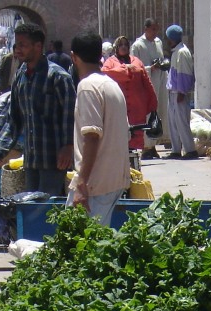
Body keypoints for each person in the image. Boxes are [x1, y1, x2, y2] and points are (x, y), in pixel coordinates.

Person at [0, 22, 75, 197]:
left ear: (38, 46)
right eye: (16, 45)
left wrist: (68, 146)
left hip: (54, 160)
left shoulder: (58, 77)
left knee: (47, 210)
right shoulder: (20, 76)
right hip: (31, 160)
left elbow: (70, 115)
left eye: (23, 45)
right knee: (31, 208)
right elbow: (15, 118)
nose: (18, 50)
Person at [66, 33, 130, 226]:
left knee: (81, 245)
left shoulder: (88, 86)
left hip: (95, 184)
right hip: (113, 180)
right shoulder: (111, 85)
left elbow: (92, 136)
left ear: (74, 57)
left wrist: (81, 183)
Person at [101, 36, 157, 154]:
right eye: (121, 45)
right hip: (118, 105)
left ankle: (134, 161)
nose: (124, 47)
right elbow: (105, 73)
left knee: (136, 134)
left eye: (126, 45)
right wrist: (125, 68)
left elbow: (147, 82)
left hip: (137, 106)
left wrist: (153, 103)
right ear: (116, 47)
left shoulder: (137, 61)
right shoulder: (110, 62)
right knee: (119, 133)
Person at [131, 18, 169, 160]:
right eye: (152, 29)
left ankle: (153, 146)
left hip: (159, 82)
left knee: (158, 113)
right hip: (146, 84)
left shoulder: (158, 42)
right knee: (147, 115)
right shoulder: (137, 45)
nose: (155, 32)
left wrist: (162, 64)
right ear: (146, 29)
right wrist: (150, 68)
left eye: (156, 29)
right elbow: (135, 67)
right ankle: (146, 147)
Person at [164, 24, 197, 159]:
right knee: (173, 122)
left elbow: (185, 74)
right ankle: (175, 149)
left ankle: (190, 149)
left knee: (182, 122)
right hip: (172, 92)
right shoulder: (176, 52)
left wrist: (182, 92)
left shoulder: (182, 52)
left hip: (179, 92)